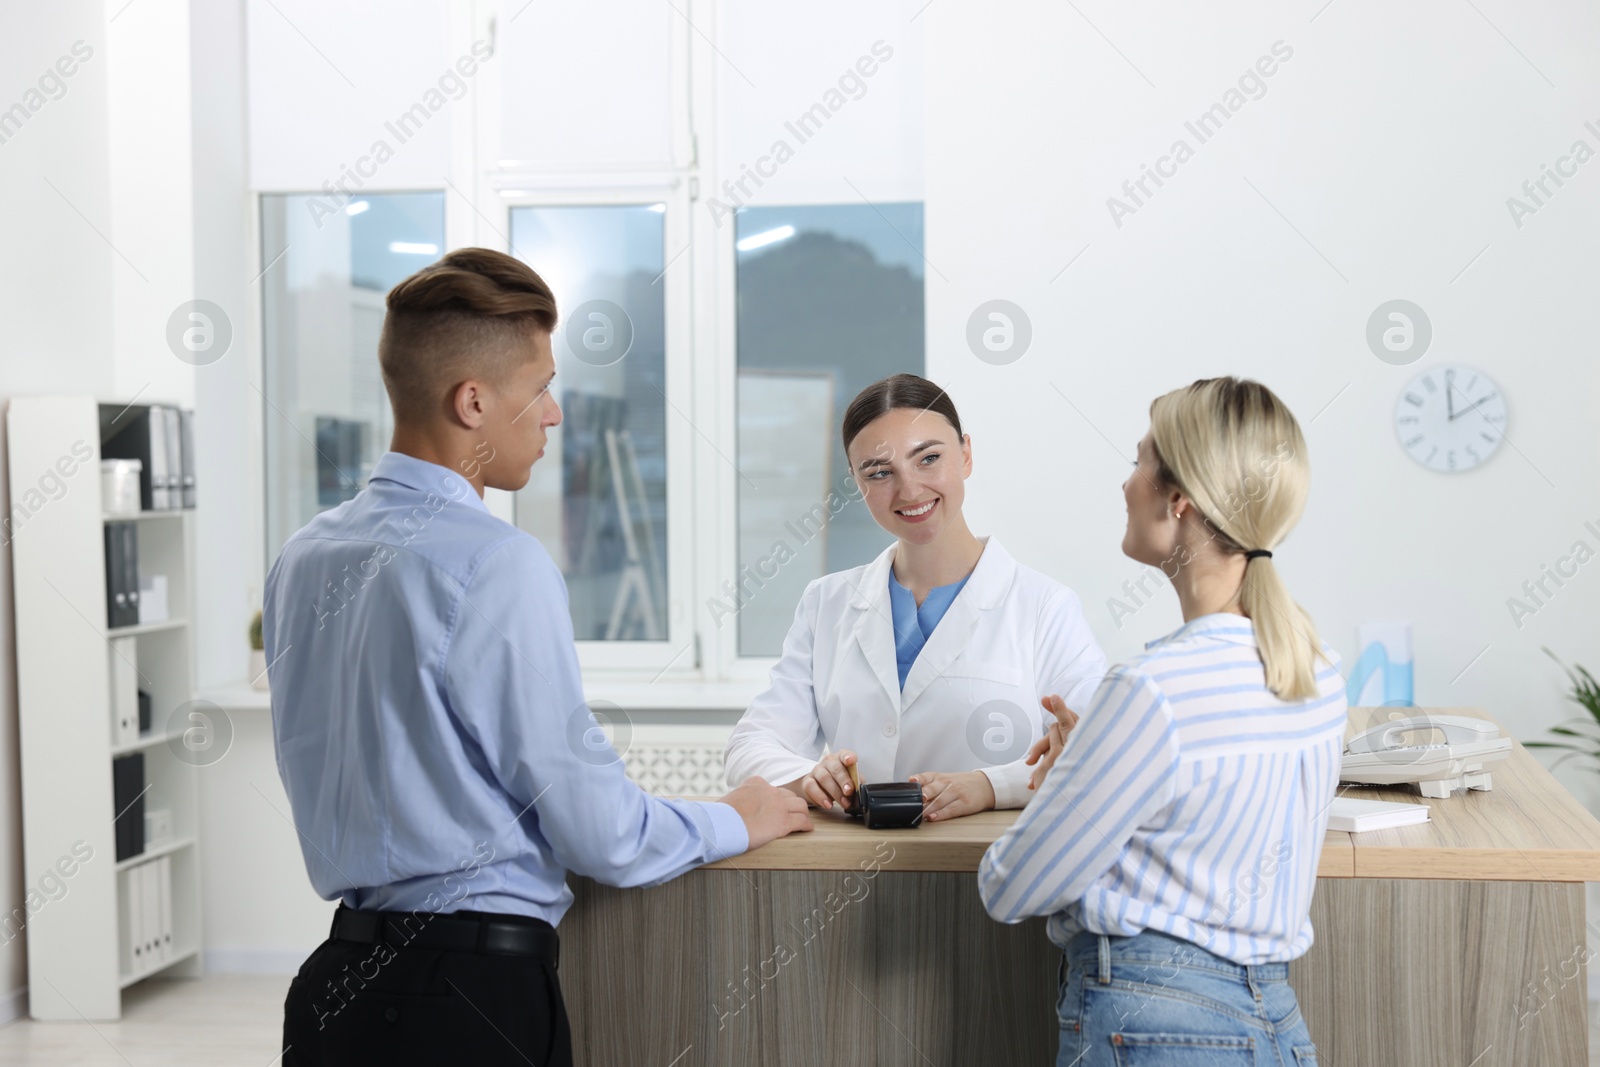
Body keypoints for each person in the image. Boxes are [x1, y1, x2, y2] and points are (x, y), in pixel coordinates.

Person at [264, 248, 810, 1067]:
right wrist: (742, 814)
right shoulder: (495, 562)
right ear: (473, 401)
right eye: (542, 386)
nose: (554, 414)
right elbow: (599, 831)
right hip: (468, 1002)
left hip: (334, 992)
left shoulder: (304, 556)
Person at [978, 376, 1345, 1066]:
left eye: (1139, 460)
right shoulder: (1318, 670)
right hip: (1275, 1023)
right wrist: (1102, 768)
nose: (1126, 483)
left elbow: (1010, 885)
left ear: (1178, 501)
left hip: (1154, 1026)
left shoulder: (1151, 691)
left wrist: (1069, 783)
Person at [724, 374, 1108, 821]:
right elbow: (748, 747)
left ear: (965, 454)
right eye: (880, 473)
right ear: (857, 481)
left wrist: (988, 786)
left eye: (928, 458)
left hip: (980, 866)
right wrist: (810, 777)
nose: (909, 491)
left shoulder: (1045, 606)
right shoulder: (826, 603)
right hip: (848, 867)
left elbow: (1095, 749)